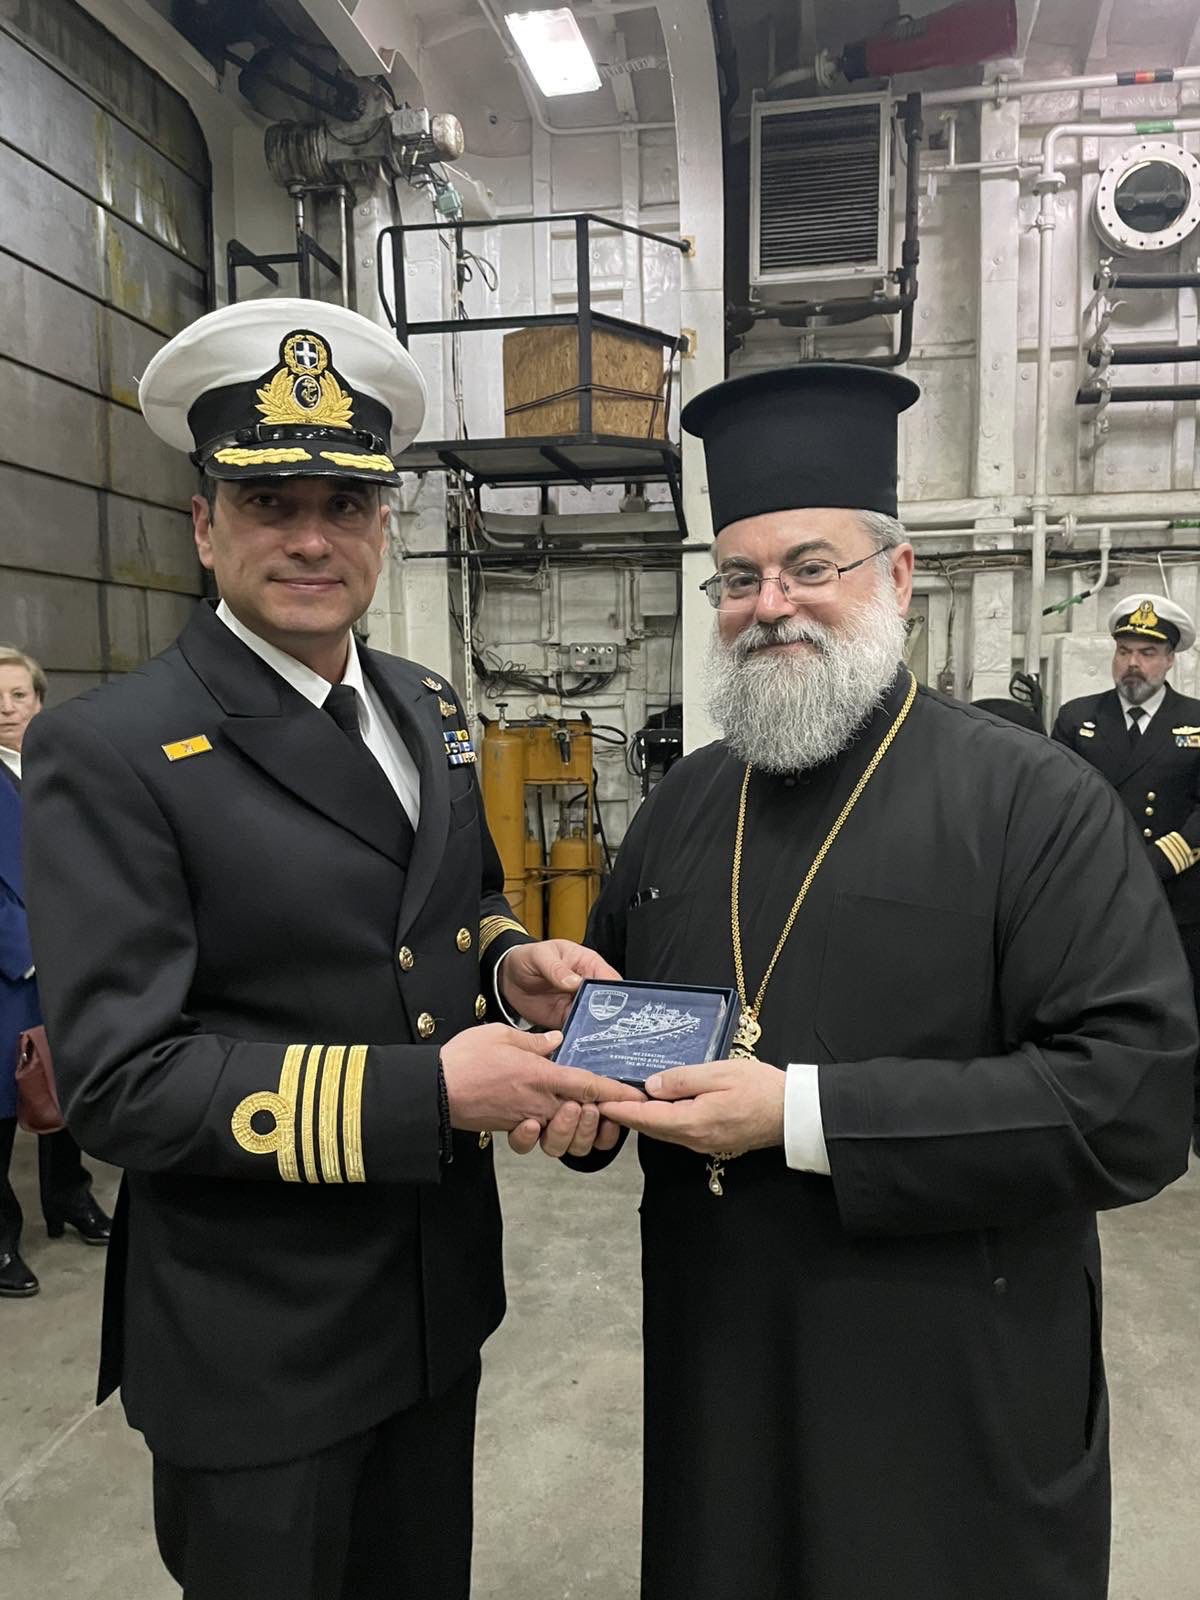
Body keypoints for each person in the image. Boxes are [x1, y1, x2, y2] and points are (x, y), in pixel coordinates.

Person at [21, 299, 639, 1600]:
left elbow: (459, 900)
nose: (312, 536)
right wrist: (432, 1093)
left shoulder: (423, 703)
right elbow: (123, 1084)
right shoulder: (115, 750)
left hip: (431, 1304)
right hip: (260, 1345)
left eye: (346, 503)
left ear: (383, 523)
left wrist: (508, 964)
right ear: (204, 526)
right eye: (270, 502)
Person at [579, 364, 1195, 1600]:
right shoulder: (684, 805)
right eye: (739, 578)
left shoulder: (1033, 802)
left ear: (899, 575)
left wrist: (800, 1112)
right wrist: (570, 1077)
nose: (771, 606)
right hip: (720, 1370)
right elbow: (616, 1024)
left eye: (810, 567)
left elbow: (1130, 1104)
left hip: (948, 1379)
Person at [1052, 594, 1200, 1151]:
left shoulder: (1196, 721)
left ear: (1170, 660)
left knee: (1183, 1002)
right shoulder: (1079, 718)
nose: (1133, 663)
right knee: (1100, 1004)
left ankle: (1187, 1114)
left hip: (1177, 890)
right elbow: (1057, 797)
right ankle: (1106, 1109)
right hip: (1097, 890)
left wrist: (1161, 859)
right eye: (1125, 651)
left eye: (1147, 653)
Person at [0, 645, 110, 1299]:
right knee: (2, 1105)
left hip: (71, 958)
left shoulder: (60, 769)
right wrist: (27, 950)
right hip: (13, 965)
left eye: (18, 695)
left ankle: (70, 1197)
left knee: (64, 1089)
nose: (6, 709)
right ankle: (1, 1237)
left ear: (39, 702)